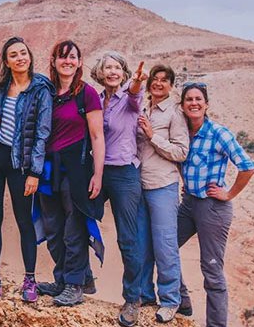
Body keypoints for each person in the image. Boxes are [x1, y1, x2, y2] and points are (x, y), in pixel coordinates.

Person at [0, 36, 54, 303]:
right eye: (14, 55)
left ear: (29, 56)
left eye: (23, 53)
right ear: (6, 61)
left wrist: (34, 173)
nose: (20, 58)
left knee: (23, 220)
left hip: (23, 165)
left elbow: (43, 133)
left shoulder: (41, 88)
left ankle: (30, 279)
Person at [177, 82, 254, 327]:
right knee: (162, 246)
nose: (194, 103)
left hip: (212, 208)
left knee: (211, 270)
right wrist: (186, 182)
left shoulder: (218, 133)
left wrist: (229, 193)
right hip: (189, 204)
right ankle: (182, 299)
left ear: (206, 104)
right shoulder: (181, 132)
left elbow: (247, 166)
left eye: (198, 99)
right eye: (189, 99)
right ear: (182, 105)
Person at [35, 40, 105, 307]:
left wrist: (98, 174)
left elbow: (98, 136)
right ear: (53, 61)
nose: (67, 61)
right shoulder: (46, 93)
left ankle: (74, 285)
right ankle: (65, 279)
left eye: (72, 57)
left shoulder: (87, 94)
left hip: (76, 170)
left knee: (73, 229)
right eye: (62, 57)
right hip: (47, 170)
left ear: (79, 61)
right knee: (53, 229)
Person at [90, 51, 147, 327]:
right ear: (100, 73)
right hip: (99, 171)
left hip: (124, 173)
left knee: (127, 237)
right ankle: (77, 280)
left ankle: (132, 299)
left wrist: (135, 82)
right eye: (107, 68)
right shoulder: (98, 100)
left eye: (117, 68)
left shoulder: (129, 97)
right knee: (77, 217)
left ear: (124, 73)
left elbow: (136, 93)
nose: (112, 72)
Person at [135, 65, 189, 322]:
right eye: (154, 80)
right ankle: (145, 295)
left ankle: (170, 300)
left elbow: (181, 152)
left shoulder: (175, 113)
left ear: (170, 85)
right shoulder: (141, 107)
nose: (158, 84)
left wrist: (153, 136)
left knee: (165, 245)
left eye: (163, 80)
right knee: (141, 244)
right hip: (138, 185)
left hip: (163, 186)